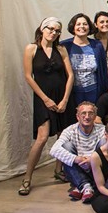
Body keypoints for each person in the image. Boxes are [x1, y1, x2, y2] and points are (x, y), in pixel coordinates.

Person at [20, 17, 74, 196]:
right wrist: (45, 99)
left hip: (61, 96)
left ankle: (58, 170)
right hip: (43, 98)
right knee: (42, 137)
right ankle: (27, 178)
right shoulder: (31, 49)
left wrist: (65, 100)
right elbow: (28, 76)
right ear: (42, 29)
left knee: (62, 135)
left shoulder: (61, 49)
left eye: (57, 30)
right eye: (50, 28)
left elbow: (70, 75)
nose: (53, 32)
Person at [49, 102, 104, 203]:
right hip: (78, 167)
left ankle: (81, 186)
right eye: (83, 113)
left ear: (95, 116)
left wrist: (91, 159)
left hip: (96, 168)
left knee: (105, 143)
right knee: (66, 146)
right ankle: (86, 186)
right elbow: (54, 150)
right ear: (77, 117)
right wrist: (77, 159)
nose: (87, 117)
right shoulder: (69, 130)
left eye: (90, 113)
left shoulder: (102, 129)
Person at [60, 13, 108, 107]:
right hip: (72, 94)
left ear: (89, 27)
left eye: (85, 24)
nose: (82, 27)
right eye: (78, 24)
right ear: (73, 27)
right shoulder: (64, 46)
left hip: (94, 93)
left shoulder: (97, 45)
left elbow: (103, 71)